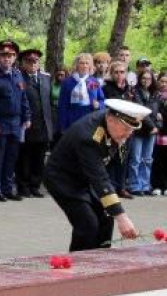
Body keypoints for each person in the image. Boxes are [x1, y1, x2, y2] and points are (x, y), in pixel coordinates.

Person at [44, 99, 147, 251]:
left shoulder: (113, 126)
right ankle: (79, 267)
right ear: (111, 119)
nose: (128, 135)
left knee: (106, 218)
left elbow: (107, 170)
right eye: (125, 129)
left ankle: (102, 260)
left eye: (131, 130)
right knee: (87, 224)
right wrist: (122, 218)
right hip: (63, 179)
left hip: (86, 177)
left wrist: (115, 210)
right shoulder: (89, 137)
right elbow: (99, 178)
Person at [0, 40, 30, 202]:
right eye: (3, 56)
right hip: (0, 122)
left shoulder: (18, 75)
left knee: (11, 157)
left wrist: (27, 117)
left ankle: (7, 188)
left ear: (15, 57)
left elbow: (23, 98)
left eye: (10, 56)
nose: (6, 59)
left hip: (16, 123)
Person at [16, 49, 53, 198]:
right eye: (29, 61)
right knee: (24, 157)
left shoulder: (46, 78)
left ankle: (35, 185)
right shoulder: (19, 77)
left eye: (35, 61)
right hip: (27, 123)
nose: (32, 64)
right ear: (23, 63)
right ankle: (23, 186)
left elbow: (49, 101)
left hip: (43, 124)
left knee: (39, 157)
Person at [103, 61, 135, 199]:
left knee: (123, 158)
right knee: (110, 157)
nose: (119, 75)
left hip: (126, 128)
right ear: (111, 73)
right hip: (111, 127)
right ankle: (109, 188)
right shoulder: (107, 88)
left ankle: (121, 187)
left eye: (122, 72)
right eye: (116, 72)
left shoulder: (130, 89)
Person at [127, 71, 158, 195]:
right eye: (144, 78)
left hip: (152, 131)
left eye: (149, 78)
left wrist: (157, 126)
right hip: (139, 129)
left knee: (147, 159)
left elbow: (158, 114)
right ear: (139, 79)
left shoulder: (155, 94)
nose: (146, 81)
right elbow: (141, 111)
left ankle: (145, 185)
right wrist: (152, 126)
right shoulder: (135, 92)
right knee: (136, 158)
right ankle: (135, 186)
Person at [58, 53, 105, 132]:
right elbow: (62, 106)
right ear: (76, 65)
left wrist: (98, 105)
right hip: (72, 120)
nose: (85, 66)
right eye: (82, 63)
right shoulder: (67, 82)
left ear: (90, 66)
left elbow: (103, 100)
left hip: (90, 120)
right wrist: (63, 126)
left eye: (87, 63)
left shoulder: (94, 81)